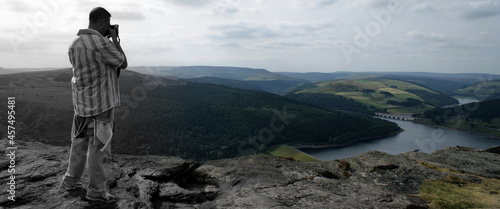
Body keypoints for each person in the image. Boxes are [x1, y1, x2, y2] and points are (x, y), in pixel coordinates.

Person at [61, 7, 127, 203]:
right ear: (103, 23)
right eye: (108, 25)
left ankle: (70, 181)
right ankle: (96, 192)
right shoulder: (100, 43)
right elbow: (122, 62)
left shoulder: (74, 43)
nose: (109, 28)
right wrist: (115, 40)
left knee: (79, 144)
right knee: (98, 149)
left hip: (81, 104)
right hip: (101, 106)